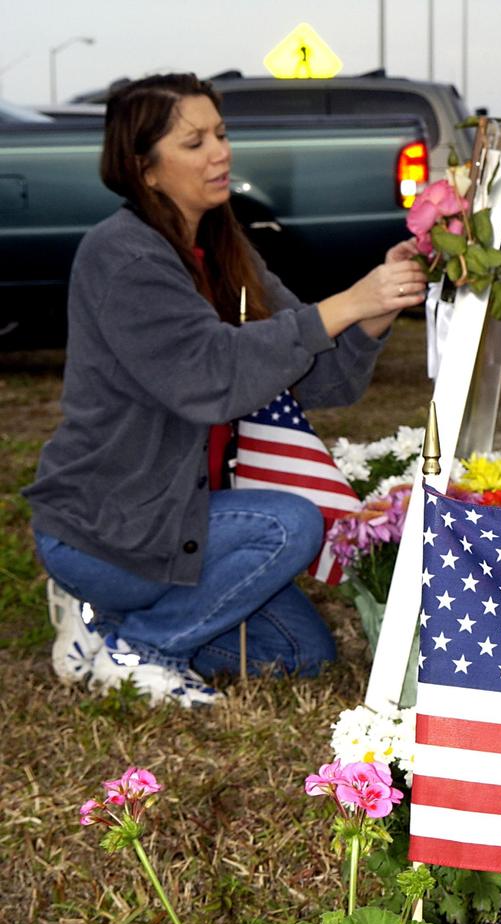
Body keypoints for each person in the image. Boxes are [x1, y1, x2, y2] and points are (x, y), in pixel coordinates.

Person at [24, 73, 426, 707]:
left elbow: (321, 375)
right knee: (289, 523)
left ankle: (103, 624)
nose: (219, 152)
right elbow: (209, 376)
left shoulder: (224, 246)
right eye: (194, 142)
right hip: (112, 524)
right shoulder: (124, 257)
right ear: (145, 170)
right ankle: (140, 653)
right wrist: (342, 304)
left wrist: (375, 307)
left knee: (303, 657)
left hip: (178, 522)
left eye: (221, 133)